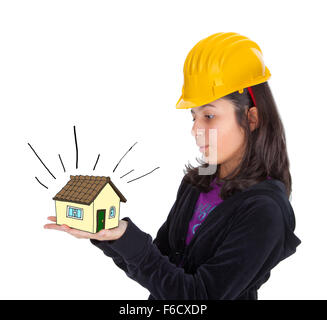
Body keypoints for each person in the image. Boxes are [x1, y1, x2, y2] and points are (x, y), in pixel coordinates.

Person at [44, 32, 302, 300]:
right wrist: (111, 233)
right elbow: (160, 271)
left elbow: (197, 298)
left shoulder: (265, 212)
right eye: (194, 117)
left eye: (209, 116)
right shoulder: (197, 182)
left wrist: (129, 240)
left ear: (251, 118)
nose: (195, 130)